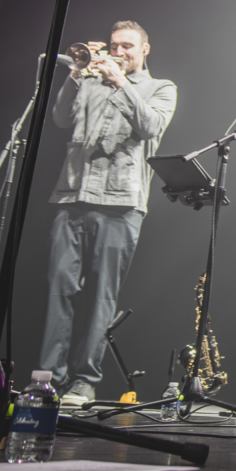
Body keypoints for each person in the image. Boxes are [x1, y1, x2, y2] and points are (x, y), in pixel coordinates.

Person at [40, 21, 177, 407]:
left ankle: (84, 381)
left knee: (101, 296)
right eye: (114, 45)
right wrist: (75, 74)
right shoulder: (89, 83)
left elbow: (151, 126)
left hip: (120, 204)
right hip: (72, 195)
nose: (118, 52)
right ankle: (48, 379)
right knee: (58, 290)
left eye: (127, 46)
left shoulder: (161, 88)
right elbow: (61, 118)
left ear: (144, 49)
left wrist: (121, 82)